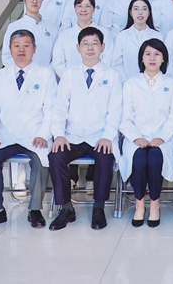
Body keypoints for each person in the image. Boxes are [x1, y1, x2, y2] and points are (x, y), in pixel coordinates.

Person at [0, 29, 56, 229]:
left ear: (34, 49)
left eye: (26, 45)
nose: (21, 50)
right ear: (10, 49)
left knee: (40, 159)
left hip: (34, 134)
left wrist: (43, 134)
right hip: (6, 135)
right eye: (16, 46)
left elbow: (51, 110)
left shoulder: (45, 75)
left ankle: (35, 210)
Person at [47, 27, 122, 231]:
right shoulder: (69, 75)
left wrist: (107, 136)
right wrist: (59, 135)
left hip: (100, 135)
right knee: (56, 156)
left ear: (103, 47)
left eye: (94, 44)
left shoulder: (112, 75)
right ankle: (66, 208)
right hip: (72, 135)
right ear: (78, 48)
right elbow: (60, 108)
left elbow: (116, 110)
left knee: (105, 158)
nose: (90, 48)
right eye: (85, 44)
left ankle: (98, 208)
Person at [119, 39, 173, 228]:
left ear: (164, 59)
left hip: (164, 138)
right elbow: (125, 118)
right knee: (138, 159)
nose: (152, 58)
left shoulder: (171, 84)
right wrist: (136, 137)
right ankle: (139, 206)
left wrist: (161, 137)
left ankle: (155, 205)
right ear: (141, 58)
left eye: (157, 54)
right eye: (148, 54)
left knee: (155, 158)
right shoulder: (131, 84)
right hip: (136, 137)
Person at [52, 0, 112, 77]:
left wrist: (94, 78)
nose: (83, 10)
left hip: (98, 80)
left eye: (87, 6)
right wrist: (72, 79)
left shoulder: (104, 33)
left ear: (94, 9)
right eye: (79, 6)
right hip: (70, 81)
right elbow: (58, 63)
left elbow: (108, 59)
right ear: (75, 9)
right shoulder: (64, 35)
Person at [2, 0, 58, 68]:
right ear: (24, 0)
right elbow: (7, 57)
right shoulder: (14, 27)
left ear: (42, 0)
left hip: (45, 74)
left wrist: (46, 73)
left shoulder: (52, 28)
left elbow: (56, 57)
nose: (35, 1)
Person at [111, 0, 162, 82]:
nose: (140, 13)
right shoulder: (122, 36)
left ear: (149, 12)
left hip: (152, 83)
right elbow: (117, 64)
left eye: (144, 9)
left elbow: (160, 62)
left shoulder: (157, 36)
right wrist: (126, 82)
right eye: (136, 9)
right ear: (130, 12)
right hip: (127, 83)